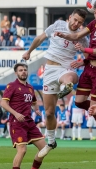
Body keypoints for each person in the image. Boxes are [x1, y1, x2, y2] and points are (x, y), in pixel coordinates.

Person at [55, 1, 96, 162]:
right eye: (95, 12)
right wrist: (64, 35)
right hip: (88, 69)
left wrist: (85, 50)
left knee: (94, 109)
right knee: (78, 102)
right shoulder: (93, 23)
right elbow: (77, 35)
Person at [22, 9, 89, 158]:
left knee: (71, 77)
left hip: (66, 68)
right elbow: (40, 38)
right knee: (49, 112)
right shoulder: (58, 25)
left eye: (80, 22)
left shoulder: (82, 37)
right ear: (70, 17)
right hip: (49, 70)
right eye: (75, 19)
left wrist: (83, 53)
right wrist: (29, 52)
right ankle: (51, 141)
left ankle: (67, 87)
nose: (76, 23)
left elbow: (88, 56)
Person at [1, 63, 47, 169]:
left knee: (45, 148)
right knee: (22, 150)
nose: (23, 72)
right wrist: (16, 114)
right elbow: (3, 103)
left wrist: (36, 110)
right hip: (17, 123)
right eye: (21, 70)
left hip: (29, 122)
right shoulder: (12, 86)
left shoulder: (30, 88)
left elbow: (33, 101)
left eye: (25, 70)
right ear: (16, 73)